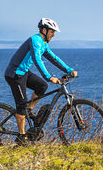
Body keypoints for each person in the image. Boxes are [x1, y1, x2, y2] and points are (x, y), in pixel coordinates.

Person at [4, 17, 78, 145]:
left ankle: (29, 109)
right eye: (52, 32)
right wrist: (48, 77)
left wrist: (69, 70)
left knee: (42, 86)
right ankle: (22, 138)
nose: (53, 35)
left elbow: (53, 58)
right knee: (21, 106)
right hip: (15, 74)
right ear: (44, 30)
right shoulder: (35, 40)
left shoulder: (43, 43)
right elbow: (37, 59)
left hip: (23, 72)